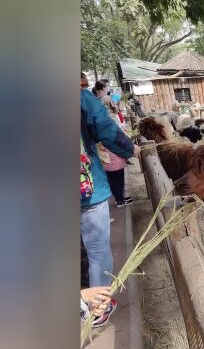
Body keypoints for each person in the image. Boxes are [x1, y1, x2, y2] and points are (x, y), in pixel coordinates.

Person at [81, 72, 139, 297]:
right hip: (85, 188)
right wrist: (130, 149)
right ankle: (98, 304)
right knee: (97, 251)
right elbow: (105, 129)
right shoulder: (81, 98)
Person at [93, 81, 133, 207]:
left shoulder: (94, 101)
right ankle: (120, 199)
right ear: (104, 87)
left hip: (101, 144)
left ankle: (118, 197)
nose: (109, 88)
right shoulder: (106, 98)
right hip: (111, 139)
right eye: (108, 86)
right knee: (117, 173)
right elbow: (116, 109)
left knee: (110, 174)